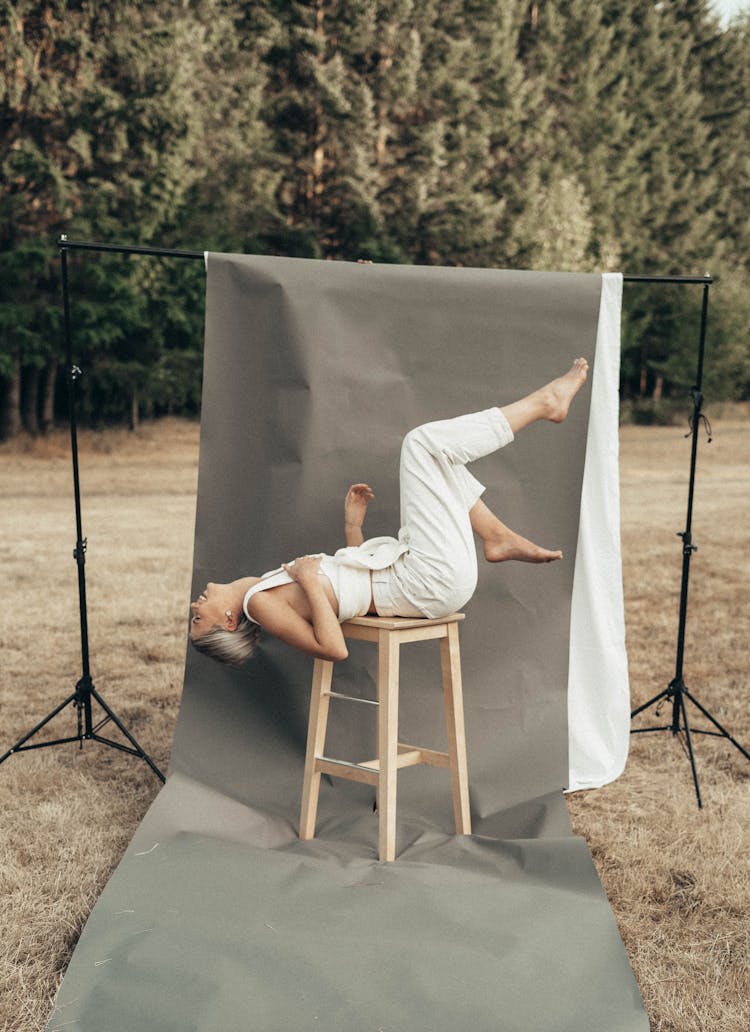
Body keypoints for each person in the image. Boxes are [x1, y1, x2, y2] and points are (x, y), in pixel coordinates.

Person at [189, 358, 589, 666]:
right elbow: (332, 648)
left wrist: (352, 526)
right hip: (429, 580)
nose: (194, 606)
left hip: (423, 579)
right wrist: (310, 579)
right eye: (197, 620)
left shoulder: (265, 589)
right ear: (227, 621)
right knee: (422, 444)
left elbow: (355, 595)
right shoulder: (257, 605)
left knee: (439, 462)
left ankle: (497, 536)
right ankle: (544, 403)